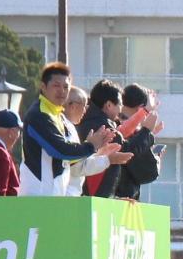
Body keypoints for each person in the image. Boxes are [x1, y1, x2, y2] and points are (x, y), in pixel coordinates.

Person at [19, 62, 121, 197]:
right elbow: (59, 150)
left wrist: (101, 155)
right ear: (43, 87)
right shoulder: (38, 115)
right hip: (37, 198)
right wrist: (90, 146)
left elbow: (73, 164)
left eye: (66, 87)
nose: (62, 91)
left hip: (55, 199)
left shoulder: (59, 118)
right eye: (56, 85)